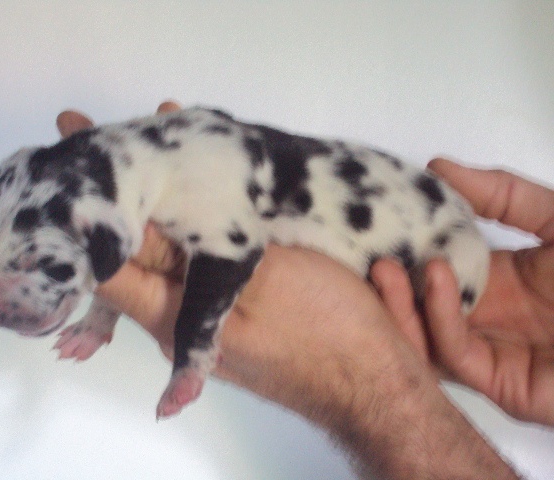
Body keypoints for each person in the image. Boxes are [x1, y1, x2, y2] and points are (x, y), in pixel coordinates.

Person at [54, 101, 553, 479]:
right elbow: (125, 239)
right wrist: (101, 316)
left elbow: (139, 241)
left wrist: (376, 383)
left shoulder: (180, 171)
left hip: (415, 238)